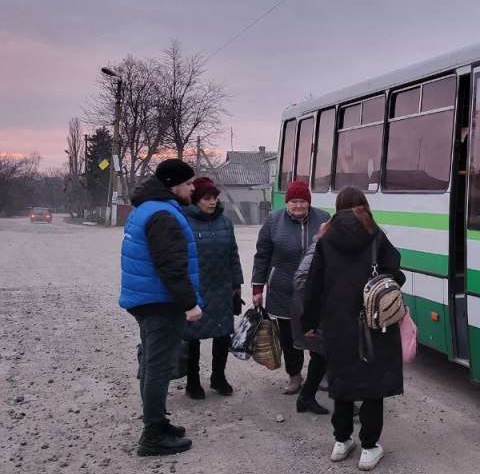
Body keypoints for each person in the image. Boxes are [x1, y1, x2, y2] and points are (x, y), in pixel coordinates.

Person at [302, 186, 405, 471]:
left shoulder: (326, 238)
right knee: (373, 383)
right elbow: (395, 272)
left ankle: (341, 441)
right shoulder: (375, 234)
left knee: (342, 379)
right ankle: (369, 448)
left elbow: (313, 284)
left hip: (337, 322)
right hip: (373, 320)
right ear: (364, 205)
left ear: (338, 206)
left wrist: (309, 322)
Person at [119, 158, 204, 456]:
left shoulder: (147, 208)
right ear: (173, 185)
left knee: (151, 363)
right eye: (189, 183)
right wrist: (190, 304)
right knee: (158, 366)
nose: (193, 189)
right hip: (160, 302)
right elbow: (171, 267)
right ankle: (153, 435)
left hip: (147, 299)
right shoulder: (163, 215)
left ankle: (157, 422)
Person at [252, 180, 330, 394]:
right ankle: (294, 375)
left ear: (309, 202)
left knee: (318, 333)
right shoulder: (273, 221)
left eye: (303, 201)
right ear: (287, 202)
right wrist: (257, 288)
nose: (298, 205)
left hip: (315, 291)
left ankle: (322, 373)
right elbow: (262, 256)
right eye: (294, 201)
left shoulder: (323, 218)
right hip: (283, 290)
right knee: (289, 338)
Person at [182, 177, 244, 399]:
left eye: (214, 197)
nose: (212, 202)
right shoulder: (184, 221)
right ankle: (192, 382)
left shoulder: (225, 222)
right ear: (196, 200)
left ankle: (218, 377)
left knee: (223, 333)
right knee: (192, 337)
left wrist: (237, 284)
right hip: (196, 287)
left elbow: (233, 254)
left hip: (222, 287)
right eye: (207, 198)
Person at [289, 221, 331, 415]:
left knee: (321, 357)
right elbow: (301, 280)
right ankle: (344, 401)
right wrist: (324, 296)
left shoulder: (325, 249)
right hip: (314, 313)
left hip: (317, 313)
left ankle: (305, 398)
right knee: (325, 356)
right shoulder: (317, 250)